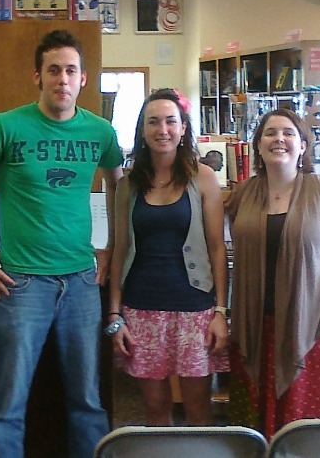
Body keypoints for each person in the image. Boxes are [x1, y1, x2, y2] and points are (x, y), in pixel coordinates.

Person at [0, 29, 123, 458]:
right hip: (21, 284)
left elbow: (119, 187)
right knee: (8, 402)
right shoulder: (6, 126)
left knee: (87, 399)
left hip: (81, 283)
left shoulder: (100, 132)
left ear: (83, 79)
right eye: (53, 70)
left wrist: (110, 247)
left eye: (70, 70)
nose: (62, 79)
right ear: (38, 77)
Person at [225, 108, 320, 439]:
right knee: (261, 420)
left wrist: (309, 290)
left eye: (288, 133)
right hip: (258, 323)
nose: (279, 139)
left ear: (303, 145)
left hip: (314, 322)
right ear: (258, 145)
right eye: (270, 133)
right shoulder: (242, 194)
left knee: (315, 417)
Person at [107, 88, 229, 426]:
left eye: (171, 121)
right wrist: (115, 314)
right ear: (143, 131)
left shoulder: (203, 177)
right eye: (154, 122)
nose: (163, 130)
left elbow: (217, 247)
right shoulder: (128, 184)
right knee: (156, 409)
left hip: (195, 309)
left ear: (183, 128)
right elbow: (119, 249)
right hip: (142, 308)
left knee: (197, 409)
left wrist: (221, 311)